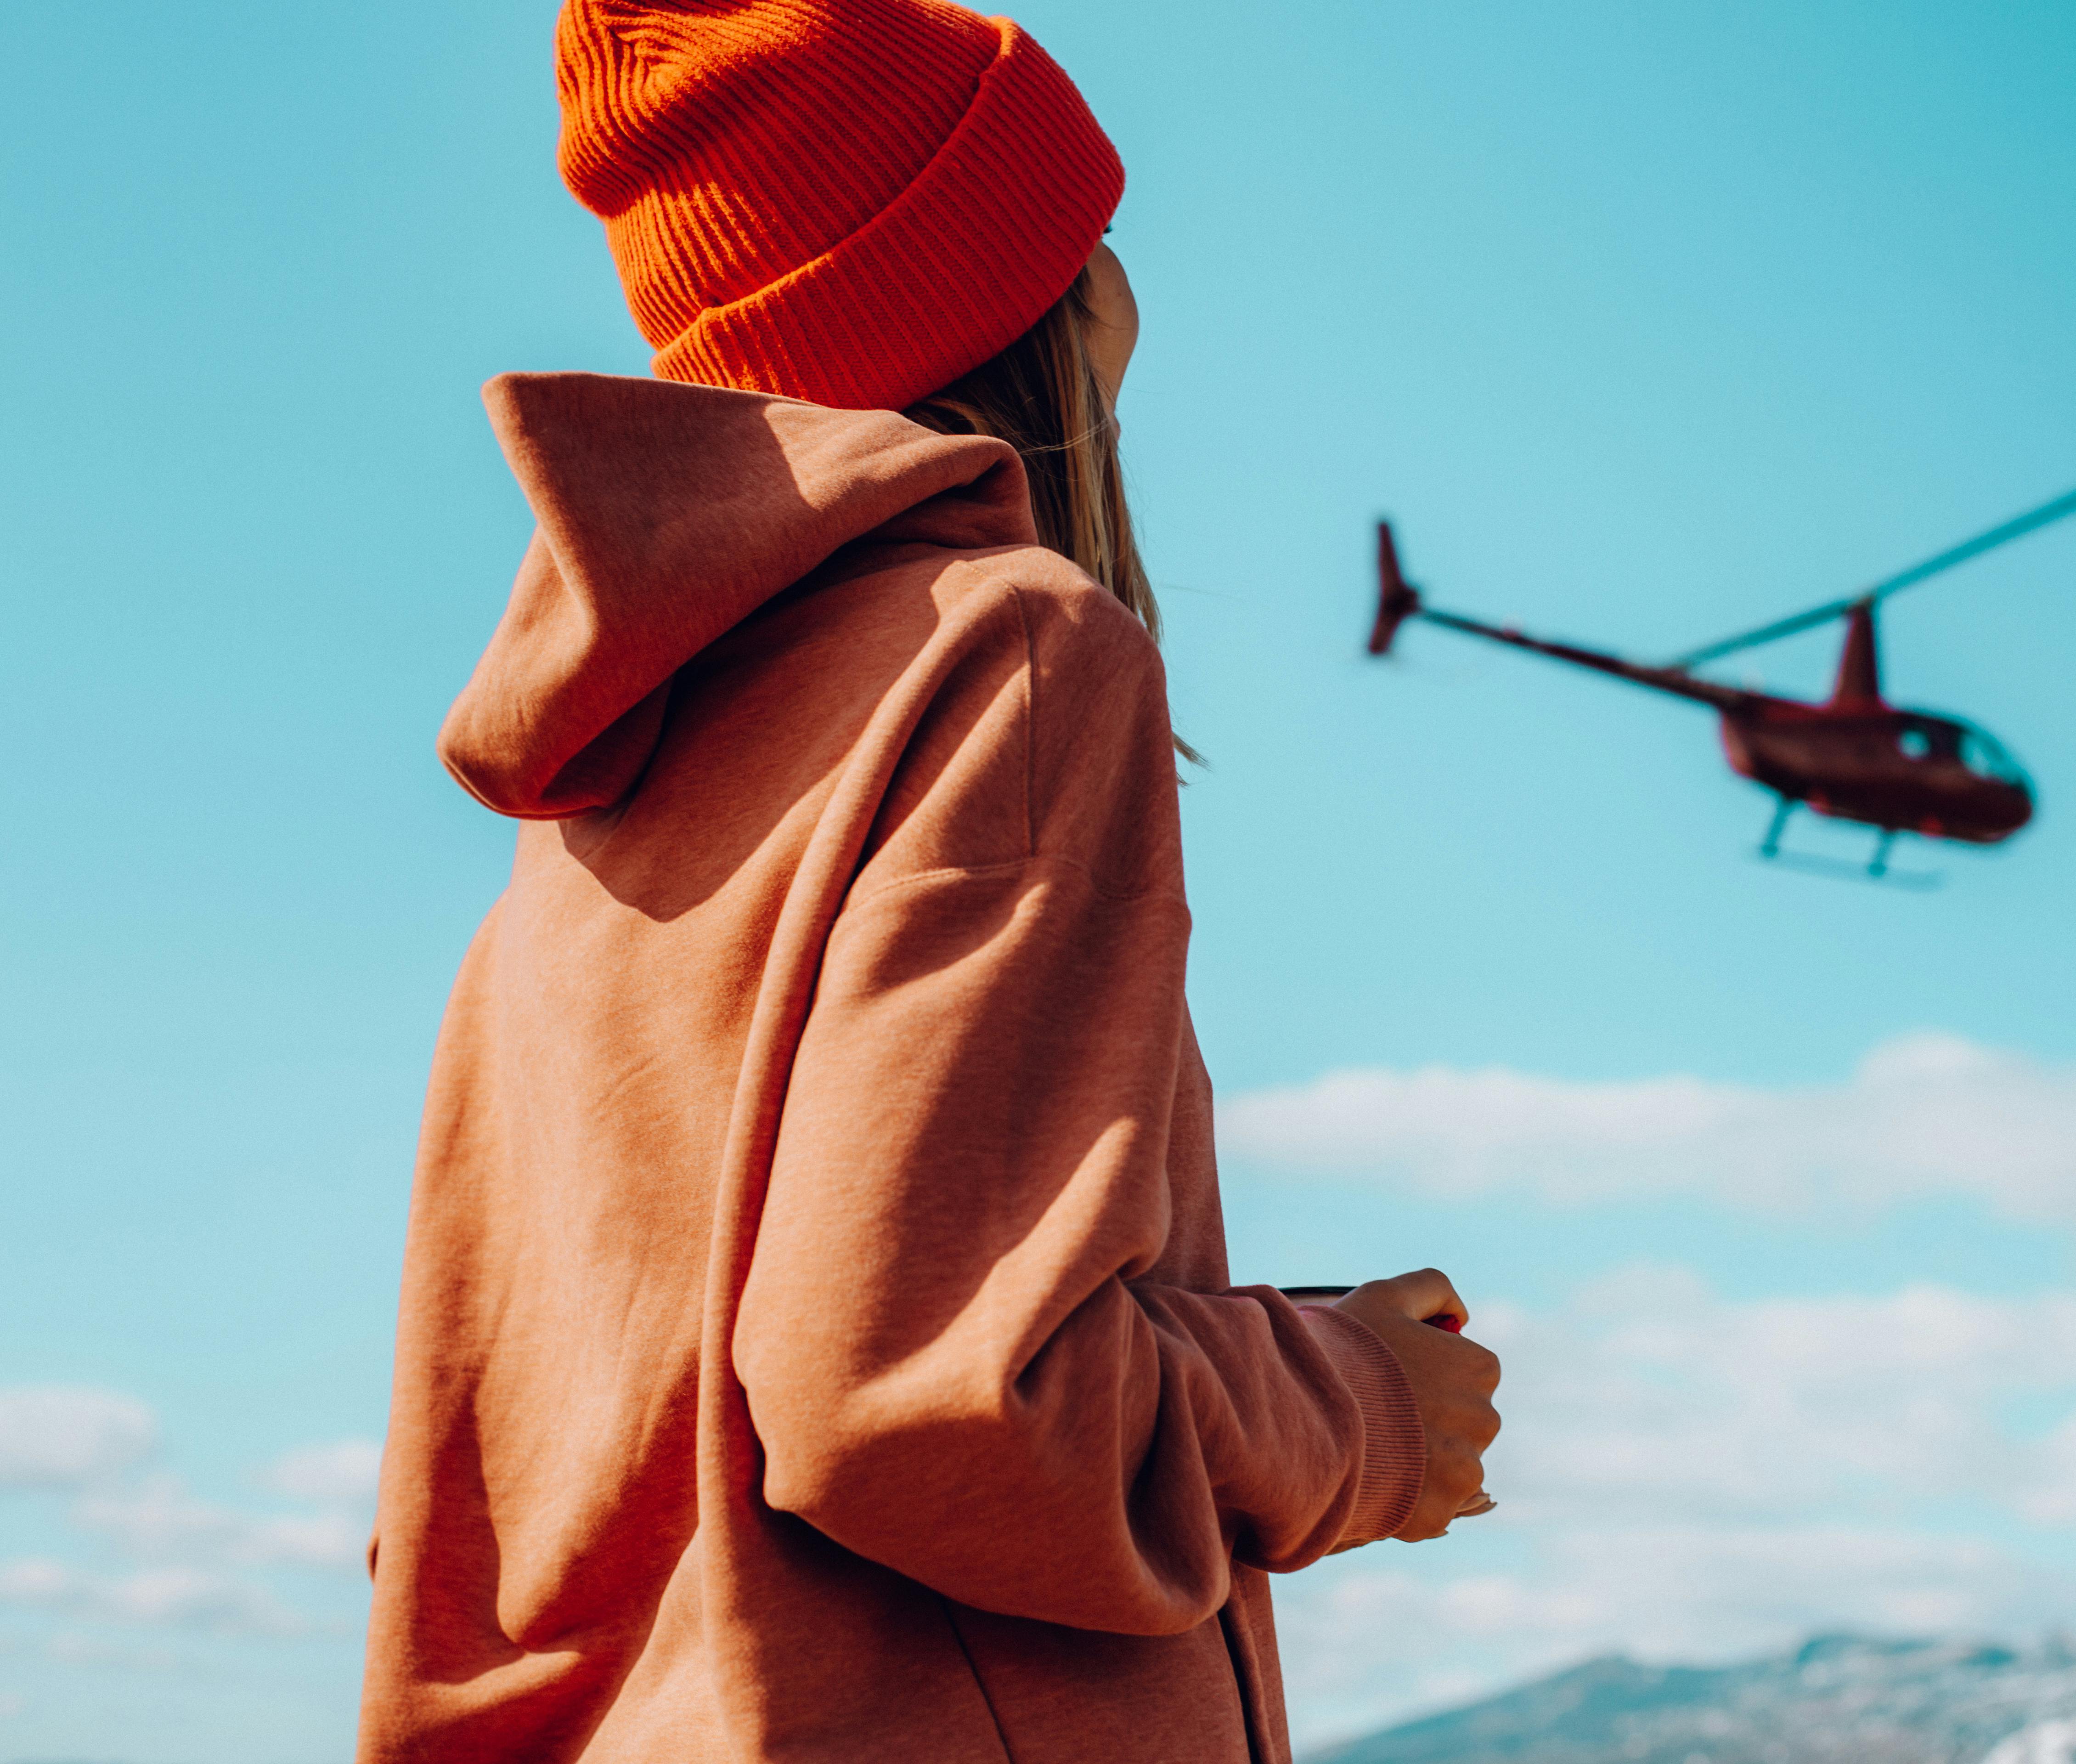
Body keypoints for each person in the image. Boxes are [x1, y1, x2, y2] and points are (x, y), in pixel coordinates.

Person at [354, 3, 1503, 1759]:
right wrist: (1357, 1407)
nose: (1125, 276)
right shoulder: (1015, 655)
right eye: (1091, 228)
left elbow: (483, 1475)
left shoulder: (591, 799)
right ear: (1047, 299)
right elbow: (936, 1400)